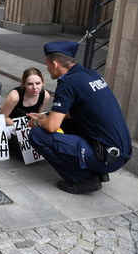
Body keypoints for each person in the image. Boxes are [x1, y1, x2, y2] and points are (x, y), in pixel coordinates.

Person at [27, 41, 132, 194]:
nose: (47, 68)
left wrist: (38, 121)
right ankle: (96, 169)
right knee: (67, 121)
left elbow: (51, 127)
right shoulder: (90, 74)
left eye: (47, 65)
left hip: (107, 156)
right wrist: (47, 116)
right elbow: (77, 113)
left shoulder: (67, 83)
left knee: (37, 135)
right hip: (119, 151)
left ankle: (83, 179)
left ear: (55, 64)